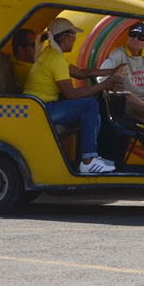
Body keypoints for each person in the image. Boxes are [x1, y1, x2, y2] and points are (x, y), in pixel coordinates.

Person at [22, 18, 118, 174]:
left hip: (41, 107)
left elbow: (81, 73)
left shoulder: (51, 53)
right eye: (73, 35)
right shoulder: (55, 58)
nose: (74, 39)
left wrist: (112, 72)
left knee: (95, 116)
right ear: (63, 37)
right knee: (90, 105)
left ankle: (89, 159)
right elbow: (71, 95)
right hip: (42, 110)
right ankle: (88, 159)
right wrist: (104, 85)